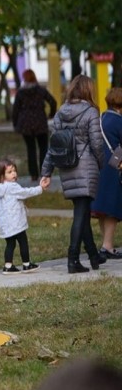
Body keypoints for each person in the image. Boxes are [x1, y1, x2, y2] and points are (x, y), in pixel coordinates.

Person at [40, 75, 105, 274]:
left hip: (67, 167)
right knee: (80, 214)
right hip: (86, 167)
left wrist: (46, 171)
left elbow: (54, 145)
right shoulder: (91, 112)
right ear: (87, 90)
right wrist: (101, 164)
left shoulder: (60, 113)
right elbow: (96, 144)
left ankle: (93, 255)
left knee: (82, 211)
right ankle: (73, 258)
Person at [0, 158, 44, 275]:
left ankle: (8, 265)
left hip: (6, 224)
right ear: (1, 175)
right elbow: (26, 192)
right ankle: (26, 264)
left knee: (10, 244)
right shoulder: (12, 187)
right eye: (10, 172)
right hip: (16, 223)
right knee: (23, 241)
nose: (14, 174)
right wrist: (40, 188)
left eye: (14, 171)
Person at [91, 87, 122, 260]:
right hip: (114, 168)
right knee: (112, 209)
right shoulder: (119, 122)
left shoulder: (101, 118)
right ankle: (108, 246)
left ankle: (105, 243)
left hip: (99, 165)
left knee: (102, 207)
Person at [12, 69, 57, 181]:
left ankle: (33, 174)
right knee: (43, 148)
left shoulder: (21, 93)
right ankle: (44, 173)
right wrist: (51, 114)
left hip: (26, 125)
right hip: (40, 122)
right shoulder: (40, 90)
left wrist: (16, 123)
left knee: (30, 149)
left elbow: (15, 109)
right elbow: (53, 102)